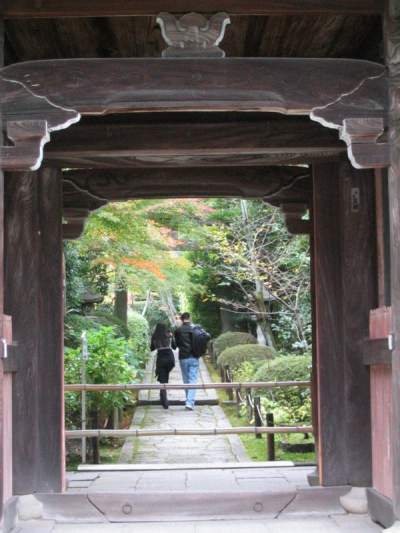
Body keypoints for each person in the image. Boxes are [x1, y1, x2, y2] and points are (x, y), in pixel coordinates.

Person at [174, 312, 209, 410]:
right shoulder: (195, 329)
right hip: (194, 356)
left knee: (186, 380)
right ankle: (189, 402)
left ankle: (188, 400)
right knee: (193, 380)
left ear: (181, 319)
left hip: (183, 357)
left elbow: (175, 345)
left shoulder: (178, 330)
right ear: (190, 318)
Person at [150, 322, 176, 409]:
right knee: (164, 378)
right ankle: (162, 395)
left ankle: (164, 400)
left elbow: (151, 348)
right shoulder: (168, 334)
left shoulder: (155, 336)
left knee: (163, 380)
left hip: (161, 358)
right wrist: (171, 337)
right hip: (170, 358)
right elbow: (174, 346)